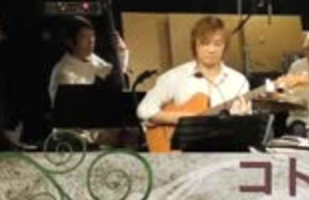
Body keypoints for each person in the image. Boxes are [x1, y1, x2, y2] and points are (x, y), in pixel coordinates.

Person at [136, 16, 250, 151]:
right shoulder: (174, 77)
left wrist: (240, 119)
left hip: (224, 152)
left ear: (225, 47)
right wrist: (183, 120)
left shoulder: (239, 81)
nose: (211, 50)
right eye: (204, 43)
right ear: (195, 45)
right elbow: (144, 110)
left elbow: (245, 130)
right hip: (182, 154)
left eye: (217, 44)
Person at [47, 15, 132, 146]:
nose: (91, 41)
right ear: (70, 41)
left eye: (92, 36)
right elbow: (69, 115)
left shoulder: (90, 58)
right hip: (71, 133)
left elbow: (114, 74)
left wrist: (122, 51)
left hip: (88, 125)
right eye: (84, 37)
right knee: (127, 136)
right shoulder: (64, 72)